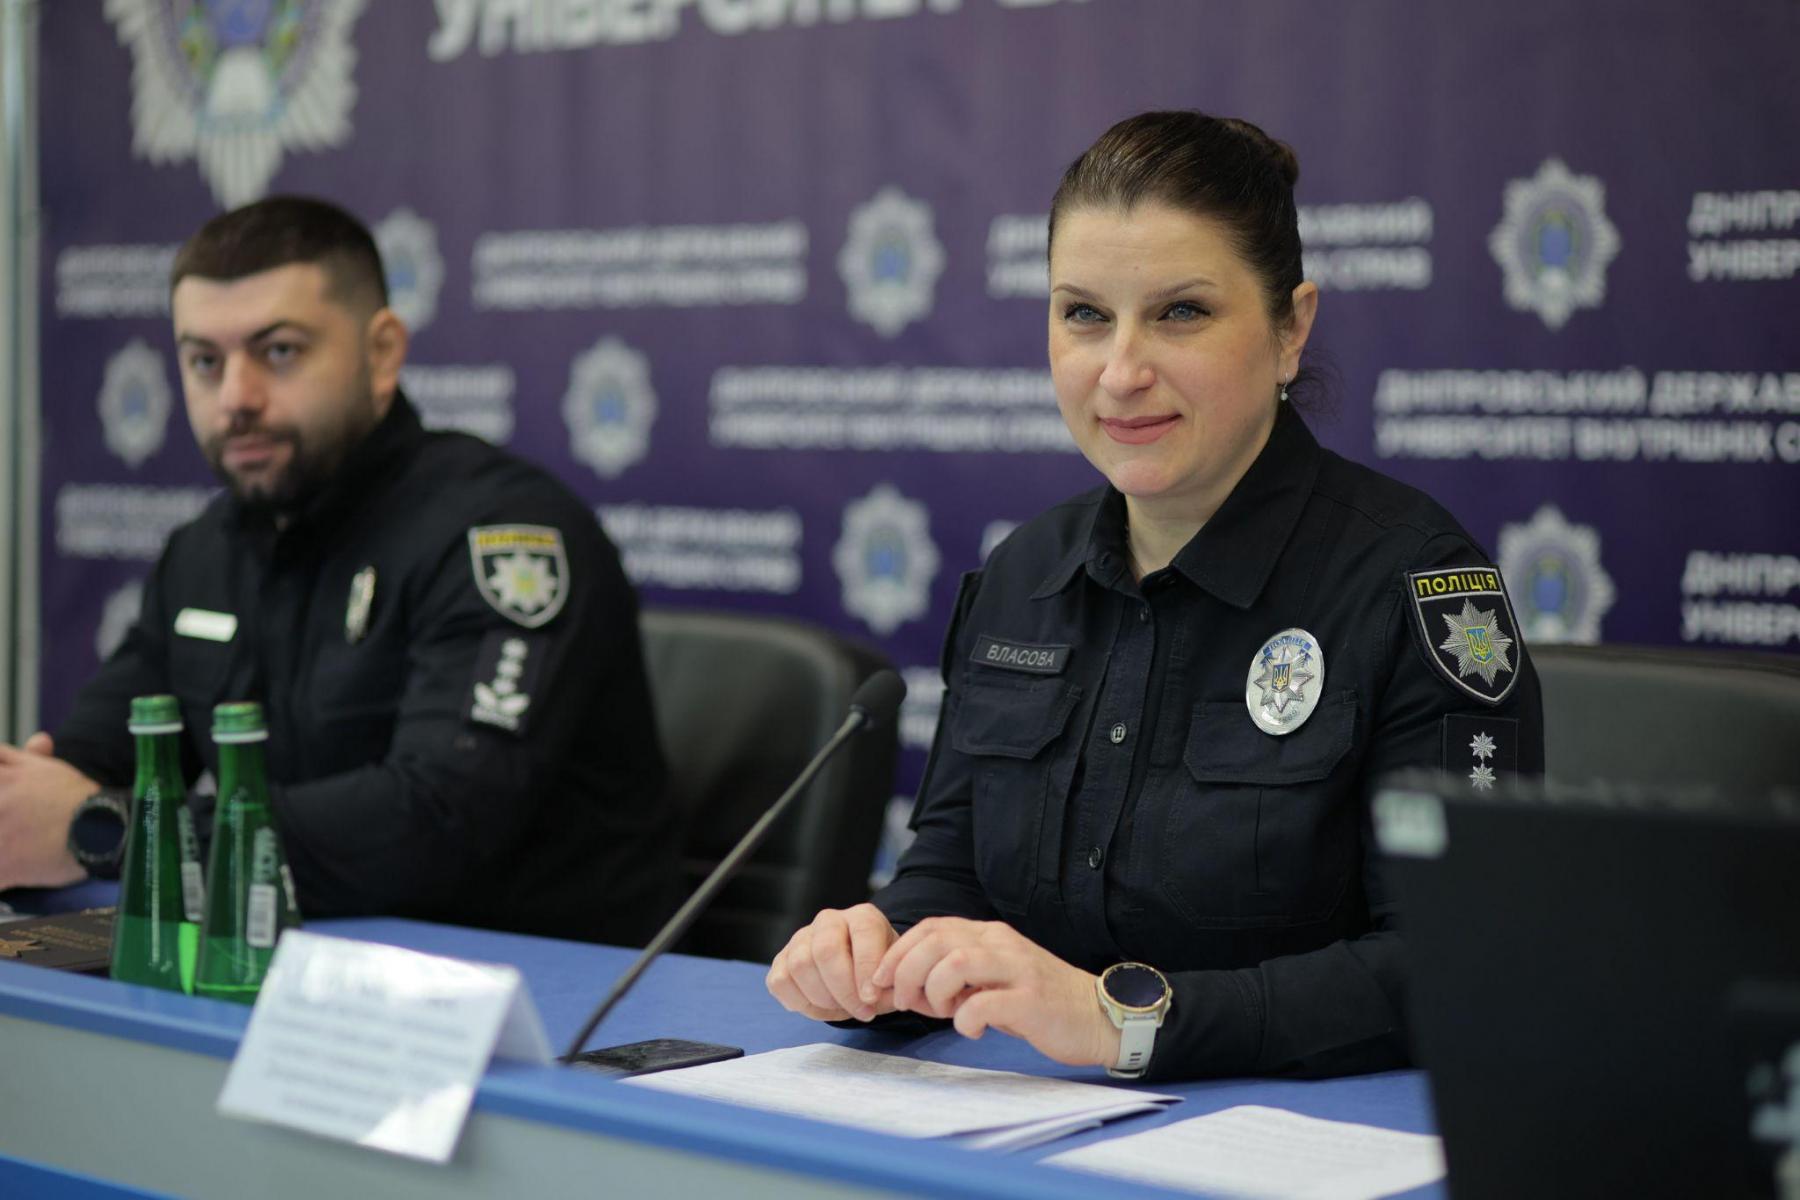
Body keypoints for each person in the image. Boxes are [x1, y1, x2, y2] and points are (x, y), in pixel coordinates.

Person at [767, 111, 1544, 1080]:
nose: (1122, 372)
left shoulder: (1420, 587)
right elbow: (953, 876)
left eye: (1181, 313)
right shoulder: (1023, 574)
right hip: (1025, 1125)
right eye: (1084, 315)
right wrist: (874, 957)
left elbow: (1454, 962)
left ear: (1292, 328)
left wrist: (1127, 1022)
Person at [0, 197, 675, 946]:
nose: (236, 398)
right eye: (204, 362)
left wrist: (100, 830)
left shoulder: (503, 538)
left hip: (539, 991)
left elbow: (433, 823)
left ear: (381, 352)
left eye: (279, 352)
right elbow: (95, 759)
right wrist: (27, 807)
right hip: (296, 971)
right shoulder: (203, 551)